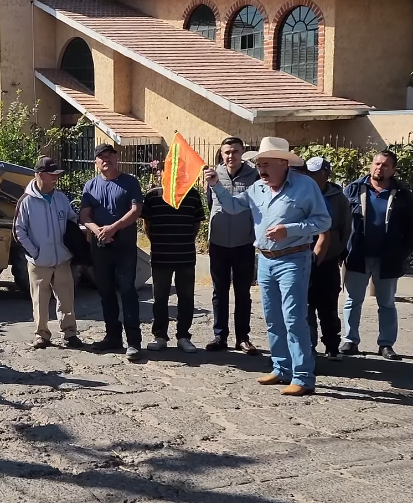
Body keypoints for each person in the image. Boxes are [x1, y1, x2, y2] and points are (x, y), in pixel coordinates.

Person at [204, 137, 331, 396]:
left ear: (283, 164)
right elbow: (231, 207)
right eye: (259, 163)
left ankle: (303, 377)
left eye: (265, 164)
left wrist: (290, 229)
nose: (260, 169)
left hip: (293, 259)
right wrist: (216, 185)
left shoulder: (305, 186)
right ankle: (281, 368)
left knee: (294, 319)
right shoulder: (257, 188)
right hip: (264, 259)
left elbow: (323, 221)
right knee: (273, 319)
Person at [342, 150, 413, 360]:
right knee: (352, 300)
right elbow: (341, 221)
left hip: (388, 258)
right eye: (376, 163)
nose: (379, 168)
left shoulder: (402, 193)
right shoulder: (354, 189)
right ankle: (350, 340)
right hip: (357, 255)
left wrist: (404, 252)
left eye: (385, 165)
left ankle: (386, 344)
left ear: (393, 169)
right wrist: (342, 251)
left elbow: (412, 228)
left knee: (386, 303)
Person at [80, 143, 146, 361]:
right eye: (102, 157)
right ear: (96, 162)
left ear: (116, 159)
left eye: (110, 156)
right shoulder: (90, 186)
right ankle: (113, 337)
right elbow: (85, 215)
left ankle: (134, 342)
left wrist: (113, 228)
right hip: (100, 248)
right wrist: (97, 230)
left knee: (127, 290)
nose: (106, 159)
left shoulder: (129, 183)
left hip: (124, 247)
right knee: (106, 292)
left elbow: (136, 211)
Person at [13, 157, 81, 350]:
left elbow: (71, 219)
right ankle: (42, 335)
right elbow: (18, 230)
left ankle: (70, 333)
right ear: (40, 175)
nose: (56, 179)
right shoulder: (25, 202)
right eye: (53, 175)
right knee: (40, 301)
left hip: (62, 260)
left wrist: (72, 244)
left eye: (57, 175)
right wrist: (35, 253)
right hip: (38, 262)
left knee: (66, 299)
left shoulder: (60, 198)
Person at [141, 163, 206, 353]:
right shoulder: (153, 196)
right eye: (169, 170)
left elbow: (196, 225)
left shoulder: (192, 195)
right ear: (162, 173)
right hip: (161, 256)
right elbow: (147, 225)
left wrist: (184, 241)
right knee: (160, 298)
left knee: (186, 298)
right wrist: (159, 242)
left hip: (185, 256)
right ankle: (160, 336)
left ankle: (184, 336)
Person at [205, 136, 260, 355]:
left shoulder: (254, 176)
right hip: (218, 242)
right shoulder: (213, 175)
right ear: (221, 153)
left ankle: (243, 338)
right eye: (227, 152)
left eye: (235, 152)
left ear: (242, 152)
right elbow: (211, 203)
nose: (231, 156)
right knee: (219, 291)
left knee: (242, 292)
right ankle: (220, 336)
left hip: (243, 242)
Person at [301, 157, 351, 361]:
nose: (311, 177)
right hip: (303, 259)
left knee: (328, 306)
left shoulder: (339, 198)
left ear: (326, 174)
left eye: (316, 173)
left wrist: (338, 252)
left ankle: (332, 346)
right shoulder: (301, 194)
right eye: (309, 173)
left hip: (328, 261)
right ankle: (309, 346)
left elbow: (346, 228)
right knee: (305, 307)